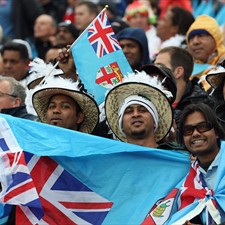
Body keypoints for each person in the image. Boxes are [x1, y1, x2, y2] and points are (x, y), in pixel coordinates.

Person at [175, 103, 225, 224]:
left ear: (217, 132)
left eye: (203, 127)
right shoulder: (188, 181)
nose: (195, 133)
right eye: (188, 130)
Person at [104, 70, 173, 148]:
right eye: (129, 111)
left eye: (143, 110)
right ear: (121, 125)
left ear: (155, 121)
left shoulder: (179, 158)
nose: (136, 114)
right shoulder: (111, 159)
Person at [154, 46, 213, 123]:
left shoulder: (202, 105)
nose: (154, 70)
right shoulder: (150, 98)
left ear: (178, 72)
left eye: (160, 66)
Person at [32, 76, 99, 133]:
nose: (56, 111)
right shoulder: (33, 146)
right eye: (52, 106)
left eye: (65, 106)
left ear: (79, 117)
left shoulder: (88, 148)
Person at [186, 15, 225, 91]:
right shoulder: (185, 67)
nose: (195, 42)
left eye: (201, 35)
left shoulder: (224, 64)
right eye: (191, 38)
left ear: (215, 39)